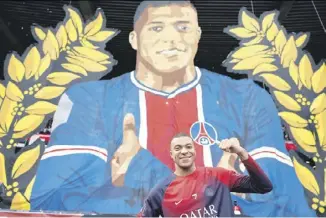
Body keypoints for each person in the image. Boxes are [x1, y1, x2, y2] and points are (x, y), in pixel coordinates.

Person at [30, 0, 316, 216]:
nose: (171, 38)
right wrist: (215, 190)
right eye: (156, 27)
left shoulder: (249, 99)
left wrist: (136, 172)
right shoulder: (87, 100)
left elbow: (284, 201)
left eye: (183, 27)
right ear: (134, 38)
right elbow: (53, 201)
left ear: (198, 35)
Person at [138, 133, 273, 217]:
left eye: (188, 147)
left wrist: (242, 153)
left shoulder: (218, 176)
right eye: (178, 148)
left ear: (195, 151)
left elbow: (263, 186)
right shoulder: (161, 191)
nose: (184, 151)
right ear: (171, 155)